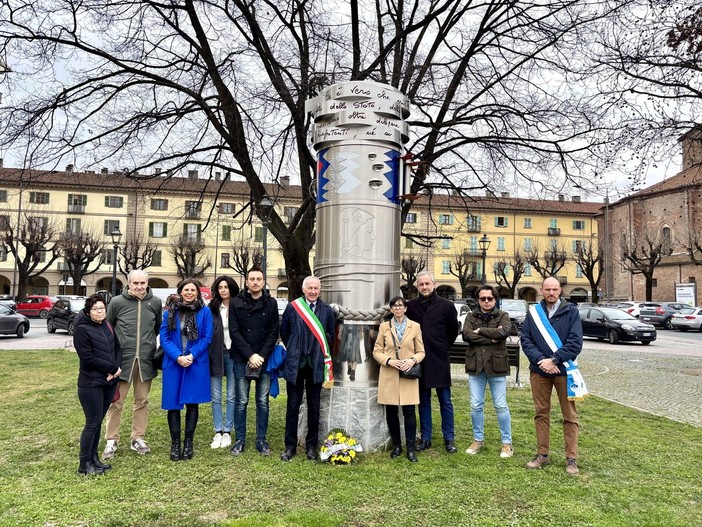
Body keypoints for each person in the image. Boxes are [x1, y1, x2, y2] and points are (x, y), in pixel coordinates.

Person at [521, 276, 583, 475]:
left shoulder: (571, 311)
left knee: (570, 416)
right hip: (539, 371)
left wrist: (554, 360)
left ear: (560, 291)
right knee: (541, 413)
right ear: (542, 290)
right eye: (547, 289)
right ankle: (542, 455)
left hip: (564, 371)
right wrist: (542, 360)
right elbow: (526, 339)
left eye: (555, 289)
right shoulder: (533, 313)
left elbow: (575, 343)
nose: (551, 293)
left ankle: (571, 458)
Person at [103, 270, 162, 459]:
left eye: (142, 283)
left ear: (147, 283)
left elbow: (156, 327)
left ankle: (138, 437)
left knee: (142, 401)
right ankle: (111, 440)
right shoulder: (117, 303)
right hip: (122, 361)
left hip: (145, 360)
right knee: (116, 401)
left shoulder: (155, 303)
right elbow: (109, 328)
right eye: (135, 283)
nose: (139, 287)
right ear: (128, 283)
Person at [279, 276, 336, 462]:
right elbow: (285, 332)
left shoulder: (326, 310)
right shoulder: (292, 307)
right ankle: (290, 446)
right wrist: (296, 348)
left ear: (320, 290)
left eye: (316, 288)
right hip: (296, 365)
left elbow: (330, 335)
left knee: (314, 407)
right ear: (303, 289)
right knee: (293, 406)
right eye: (310, 288)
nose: (313, 291)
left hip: (316, 365)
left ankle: (312, 446)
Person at [406, 271, 460, 453]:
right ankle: (426, 437)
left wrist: (442, 345)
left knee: (445, 400)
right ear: (417, 286)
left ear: (434, 284)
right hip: (419, 360)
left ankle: (449, 438)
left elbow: (453, 330)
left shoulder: (446, 306)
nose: (424, 287)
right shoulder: (411, 306)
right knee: (423, 400)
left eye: (427, 283)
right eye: (421, 284)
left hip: (439, 358)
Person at [160, 279, 213, 461]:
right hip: (174, 362)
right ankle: (175, 444)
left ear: (198, 292)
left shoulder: (204, 311)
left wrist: (191, 355)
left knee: (192, 403)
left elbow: (206, 337)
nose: (189, 292)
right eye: (186, 289)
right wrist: (178, 356)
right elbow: (164, 337)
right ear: (181, 291)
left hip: (194, 363)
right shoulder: (170, 311)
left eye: (193, 290)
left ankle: (188, 443)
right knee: (173, 405)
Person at [228, 267, 279, 456]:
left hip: (263, 360)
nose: (255, 282)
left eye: (259, 279)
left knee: (262, 402)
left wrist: (261, 356)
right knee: (241, 401)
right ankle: (240, 439)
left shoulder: (271, 303)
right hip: (242, 358)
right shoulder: (236, 302)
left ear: (264, 281)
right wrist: (250, 355)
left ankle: (261, 440)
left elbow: (274, 331)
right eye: (252, 279)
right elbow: (234, 331)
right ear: (246, 281)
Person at [462, 285, 513, 458]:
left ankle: (507, 443)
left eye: (489, 298)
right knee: (476, 405)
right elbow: (466, 335)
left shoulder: (503, 316)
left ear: (495, 299)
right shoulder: (470, 315)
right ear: (477, 300)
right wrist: (492, 338)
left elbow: (504, 332)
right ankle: (478, 440)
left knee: (500, 405)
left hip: (496, 365)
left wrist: (481, 331)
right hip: (476, 365)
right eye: (482, 298)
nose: (486, 301)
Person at [373, 296, 425, 462]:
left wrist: (412, 360)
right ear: (391, 309)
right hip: (389, 373)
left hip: (408, 374)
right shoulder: (384, 327)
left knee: (409, 412)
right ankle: (397, 445)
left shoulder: (415, 326)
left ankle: (410, 448)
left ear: (405, 308)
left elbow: (421, 351)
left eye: (400, 306)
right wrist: (389, 361)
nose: (398, 309)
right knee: (392, 412)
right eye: (394, 306)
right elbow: (377, 351)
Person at [74, 294, 122, 475]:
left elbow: (117, 347)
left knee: (98, 421)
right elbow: (87, 358)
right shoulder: (82, 329)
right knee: (92, 423)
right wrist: (111, 368)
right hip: (91, 383)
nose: (100, 311)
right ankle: (84, 464)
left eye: (102, 308)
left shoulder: (107, 325)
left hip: (109, 382)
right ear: (88, 311)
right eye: (95, 309)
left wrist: (117, 367)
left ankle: (94, 459)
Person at [208, 276, 240, 449]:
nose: (223, 290)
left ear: (231, 288)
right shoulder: (212, 308)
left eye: (226, 287)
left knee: (231, 395)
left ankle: (228, 430)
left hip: (234, 354)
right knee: (216, 395)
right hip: (216, 354)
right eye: (220, 287)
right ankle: (218, 431)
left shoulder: (239, 306)